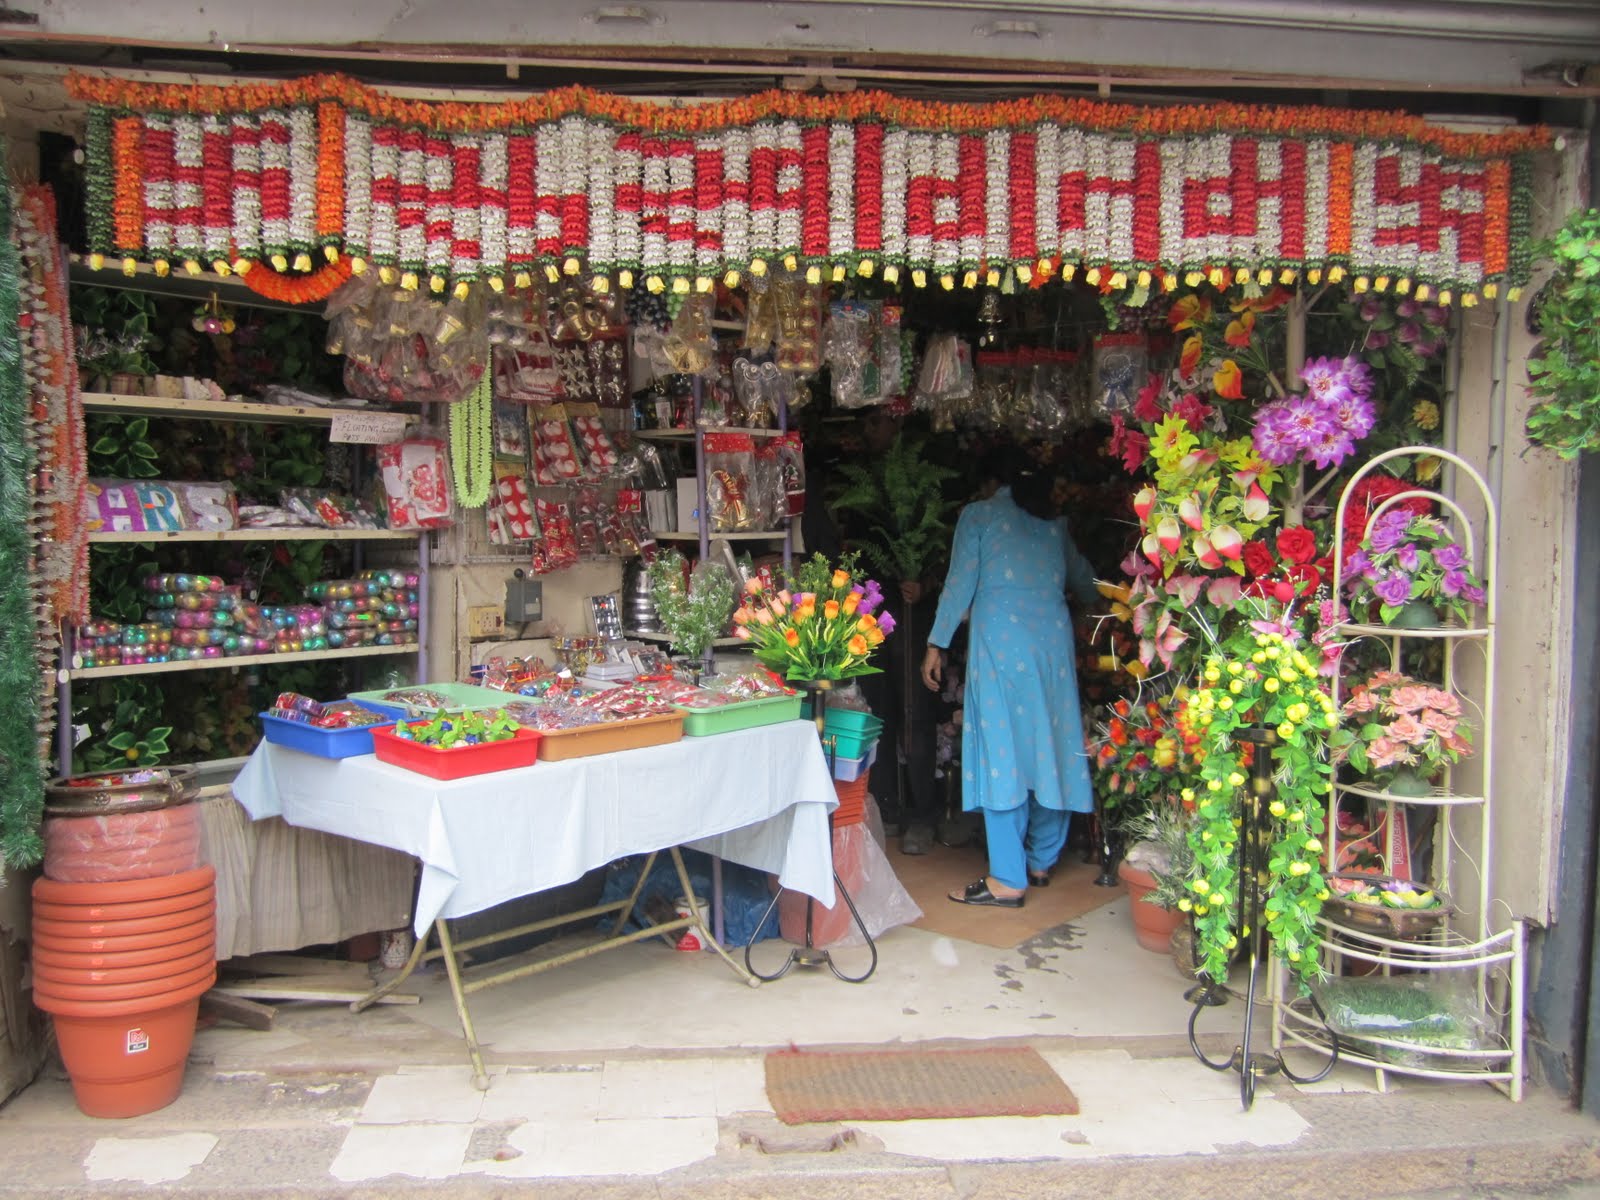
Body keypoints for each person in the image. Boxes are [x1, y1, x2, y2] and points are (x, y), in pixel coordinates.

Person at [920, 461, 1099, 907]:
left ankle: (1006, 878)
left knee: (1004, 753)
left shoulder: (979, 516)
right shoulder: (1055, 528)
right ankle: (1040, 860)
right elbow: (1088, 583)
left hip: (1000, 648)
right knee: (1050, 747)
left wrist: (936, 642)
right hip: (1052, 651)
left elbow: (960, 583)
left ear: (994, 482)